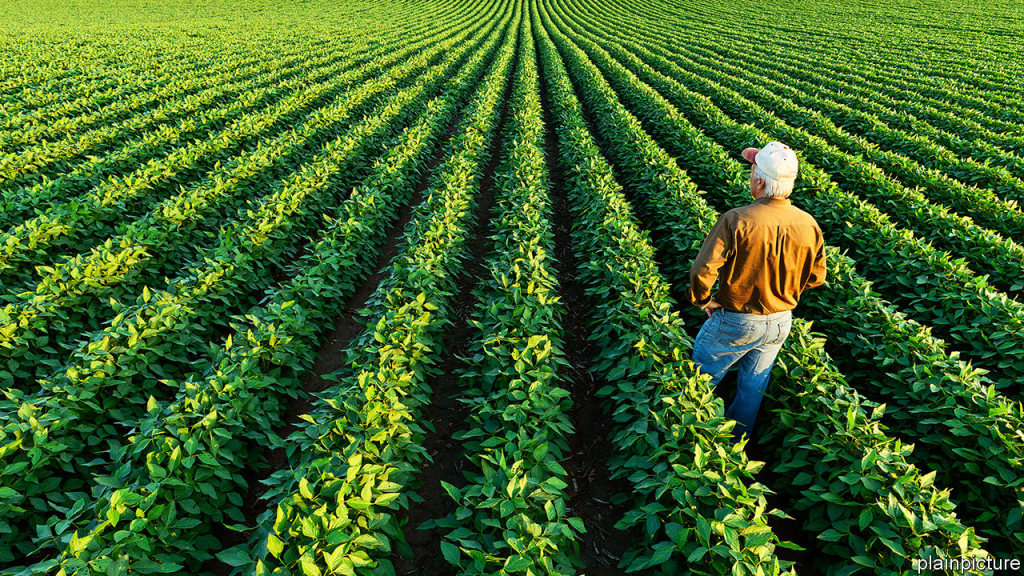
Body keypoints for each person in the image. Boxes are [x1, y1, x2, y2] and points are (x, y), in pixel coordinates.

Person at [687, 141, 827, 443]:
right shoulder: (809, 223)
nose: (750, 177)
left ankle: (695, 441)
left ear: (760, 180)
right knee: (752, 389)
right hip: (780, 322)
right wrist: (784, 289)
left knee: (699, 382)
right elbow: (816, 277)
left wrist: (703, 300)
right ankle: (734, 449)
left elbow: (703, 269)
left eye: (752, 171)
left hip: (736, 320)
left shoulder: (737, 219)